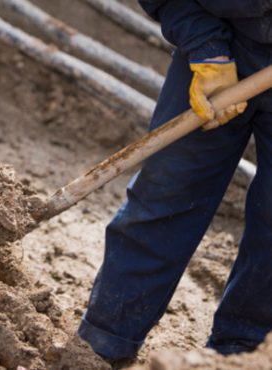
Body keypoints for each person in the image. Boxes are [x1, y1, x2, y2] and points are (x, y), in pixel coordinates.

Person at [78, 0, 272, 361]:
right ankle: (102, 344)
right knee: (168, 192)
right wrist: (206, 48)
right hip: (220, 36)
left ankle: (243, 355)